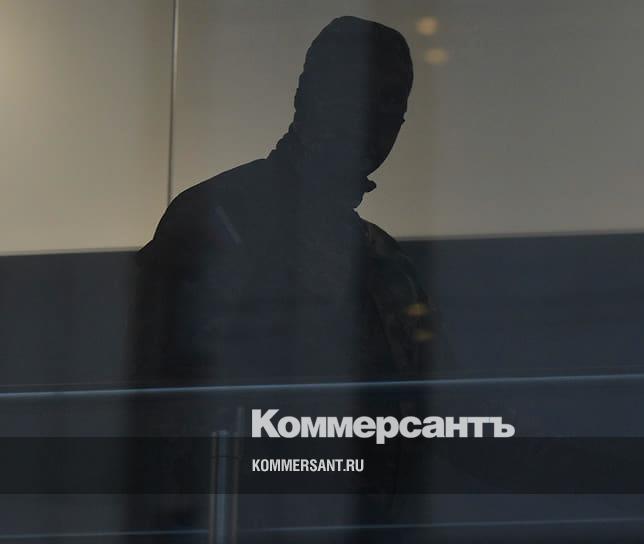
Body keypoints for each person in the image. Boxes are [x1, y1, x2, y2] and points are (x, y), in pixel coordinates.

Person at [130, 16, 437, 386]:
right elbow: (158, 387)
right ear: (306, 95)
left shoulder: (387, 260)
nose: (373, 121)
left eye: (390, 106)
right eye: (355, 95)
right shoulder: (215, 216)